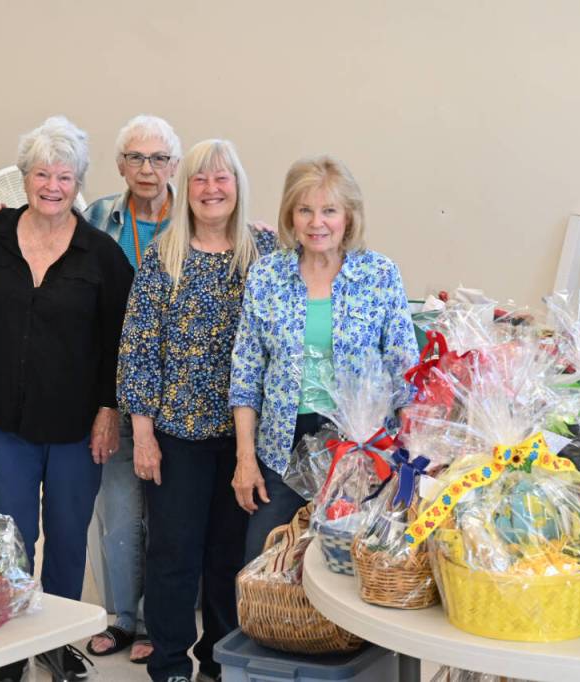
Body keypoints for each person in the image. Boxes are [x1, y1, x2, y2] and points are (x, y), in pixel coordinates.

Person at [0, 116, 134, 682]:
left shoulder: (101, 255)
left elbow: (119, 341)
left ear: (79, 182)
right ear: (24, 178)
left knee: (66, 539)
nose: (52, 186)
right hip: (2, 417)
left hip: (75, 424)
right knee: (10, 538)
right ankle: (8, 652)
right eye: (42, 174)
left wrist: (109, 411)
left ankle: (57, 644)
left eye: (64, 176)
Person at [118, 139, 274, 682]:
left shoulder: (265, 253)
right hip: (177, 436)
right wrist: (143, 436)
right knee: (173, 554)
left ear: (238, 186)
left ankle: (219, 660)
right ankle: (168, 663)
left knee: (230, 556)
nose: (211, 189)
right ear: (186, 190)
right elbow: (138, 351)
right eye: (201, 180)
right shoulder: (164, 256)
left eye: (221, 178)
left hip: (245, 438)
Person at [229, 155, 419, 563]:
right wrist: (245, 460)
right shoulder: (266, 276)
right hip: (282, 446)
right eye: (305, 210)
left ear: (348, 217)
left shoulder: (379, 275)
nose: (317, 223)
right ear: (290, 216)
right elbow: (245, 375)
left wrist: (410, 458)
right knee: (263, 563)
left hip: (361, 447)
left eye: (329, 211)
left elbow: (404, 369)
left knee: (349, 565)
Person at [82, 114, 182, 665]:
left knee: (167, 513)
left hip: (180, 388)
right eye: (137, 158)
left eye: (159, 158)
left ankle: (154, 620)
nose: (148, 169)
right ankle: (121, 616)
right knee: (118, 507)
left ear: (174, 166)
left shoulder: (194, 218)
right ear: (120, 165)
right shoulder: (98, 218)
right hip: (114, 383)